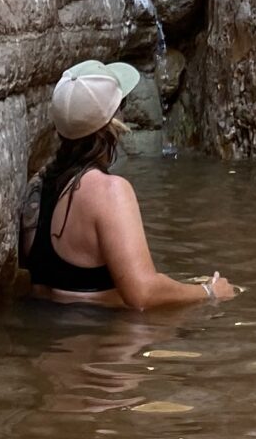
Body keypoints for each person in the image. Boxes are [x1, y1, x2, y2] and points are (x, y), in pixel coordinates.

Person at [20, 60, 239, 309]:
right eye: (120, 106)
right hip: (101, 340)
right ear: (113, 122)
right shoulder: (110, 191)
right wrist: (209, 292)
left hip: (45, 334)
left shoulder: (36, 188)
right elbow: (143, 294)